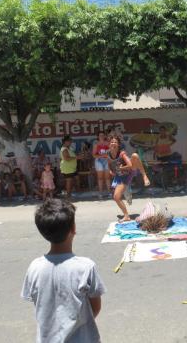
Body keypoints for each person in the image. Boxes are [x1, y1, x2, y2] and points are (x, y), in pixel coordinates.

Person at [21, 199, 106, 343]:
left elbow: (39, 304)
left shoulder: (34, 267)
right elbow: (95, 308)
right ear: (73, 229)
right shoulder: (86, 267)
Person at [93, 131, 110, 197]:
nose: (101, 137)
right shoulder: (96, 144)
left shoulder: (108, 143)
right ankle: (100, 193)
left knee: (108, 177)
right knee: (100, 178)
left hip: (106, 160)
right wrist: (102, 156)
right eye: (100, 135)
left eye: (103, 135)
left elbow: (111, 152)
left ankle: (109, 192)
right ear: (98, 137)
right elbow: (94, 155)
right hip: (99, 161)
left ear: (105, 136)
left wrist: (106, 155)